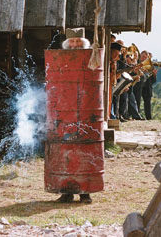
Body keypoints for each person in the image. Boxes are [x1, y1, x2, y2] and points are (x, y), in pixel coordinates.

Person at [57, 27, 93, 204]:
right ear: (67, 43)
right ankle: (66, 192)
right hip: (67, 110)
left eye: (78, 41)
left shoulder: (91, 58)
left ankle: (85, 192)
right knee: (66, 151)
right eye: (72, 41)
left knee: (85, 150)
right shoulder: (61, 59)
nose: (75, 44)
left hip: (86, 110)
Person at [141, 52, 157, 120]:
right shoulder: (138, 64)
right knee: (136, 101)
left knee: (147, 103)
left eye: (145, 57)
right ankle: (136, 116)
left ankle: (149, 117)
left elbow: (153, 81)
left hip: (147, 87)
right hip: (139, 85)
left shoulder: (150, 67)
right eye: (143, 56)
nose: (144, 58)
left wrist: (154, 75)